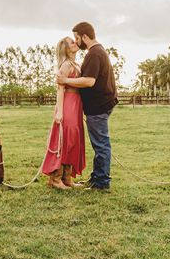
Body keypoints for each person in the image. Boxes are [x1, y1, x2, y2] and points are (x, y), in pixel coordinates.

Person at [57, 22, 118, 190]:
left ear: (84, 36)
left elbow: (89, 81)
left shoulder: (94, 53)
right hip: (99, 105)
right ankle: (97, 177)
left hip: (98, 107)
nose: (77, 42)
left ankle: (101, 182)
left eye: (77, 38)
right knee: (99, 144)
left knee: (101, 145)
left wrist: (65, 80)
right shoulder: (97, 52)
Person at [41, 36, 87, 189]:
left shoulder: (77, 64)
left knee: (72, 139)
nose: (75, 43)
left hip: (76, 105)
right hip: (67, 103)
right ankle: (55, 179)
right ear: (66, 49)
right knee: (64, 138)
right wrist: (59, 111)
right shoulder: (66, 65)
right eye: (71, 42)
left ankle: (67, 178)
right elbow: (60, 88)